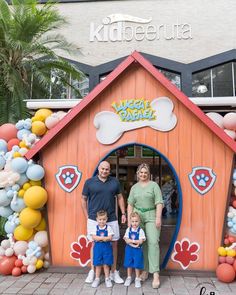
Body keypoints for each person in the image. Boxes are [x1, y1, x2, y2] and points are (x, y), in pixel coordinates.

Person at [81, 160, 126, 284]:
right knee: (94, 244)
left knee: (114, 244)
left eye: (107, 169)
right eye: (103, 169)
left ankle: (113, 272)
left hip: (111, 218)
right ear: (99, 169)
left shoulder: (115, 182)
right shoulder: (89, 182)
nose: (105, 171)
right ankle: (92, 271)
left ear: (109, 170)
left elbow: (120, 197)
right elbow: (83, 199)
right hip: (94, 219)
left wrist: (123, 213)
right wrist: (87, 217)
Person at [127, 163, 163, 289]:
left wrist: (158, 217)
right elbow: (130, 204)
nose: (143, 174)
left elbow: (159, 203)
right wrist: (129, 222)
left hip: (151, 215)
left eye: (145, 172)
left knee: (153, 242)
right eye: (141, 172)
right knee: (142, 243)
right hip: (137, 216)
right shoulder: (134, 188)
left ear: (149, 174)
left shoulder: (154, 186)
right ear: (138, 174)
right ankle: (145, 270)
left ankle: (156, 274)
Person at [90, 210, 114, 288]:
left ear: (106, 219)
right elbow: (94, 237)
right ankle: (97, 278)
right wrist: (103, 238)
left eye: (104, 219)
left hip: (106, 249)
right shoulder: (95, 228)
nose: (102, 221)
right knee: (98, 264)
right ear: (97, 219)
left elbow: (110, 237)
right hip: (98, 249)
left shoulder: (108, 228)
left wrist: (100, 239)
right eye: (100, 219)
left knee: (106, 264)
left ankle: (107, 278)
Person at [123, 212, 146, 288]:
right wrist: (130, 241)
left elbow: (141, 241)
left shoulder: (140, 231)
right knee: (129, 263)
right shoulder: (128, 230)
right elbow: (126, 239)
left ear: (139, 221)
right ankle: (129, 277)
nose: (134, 223)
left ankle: (137, 278)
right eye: (133, 221)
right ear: (130, 221)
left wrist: (132, 241)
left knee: (137, 264)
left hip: (137, 250)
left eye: (136, 221)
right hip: (129, 250)